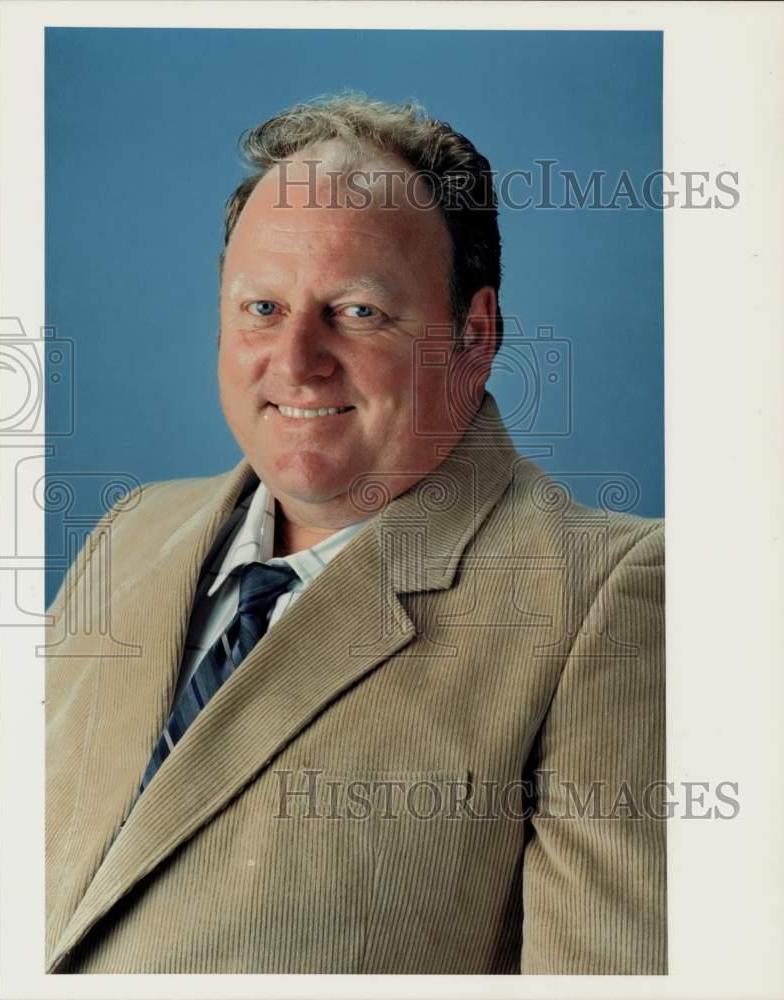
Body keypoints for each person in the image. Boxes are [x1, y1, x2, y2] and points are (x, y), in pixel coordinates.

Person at [45, 94, 666, 975]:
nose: (296, 360)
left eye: (359, 312)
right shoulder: (129, 532)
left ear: (476, 332)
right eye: (261, 306)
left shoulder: (610, 600)